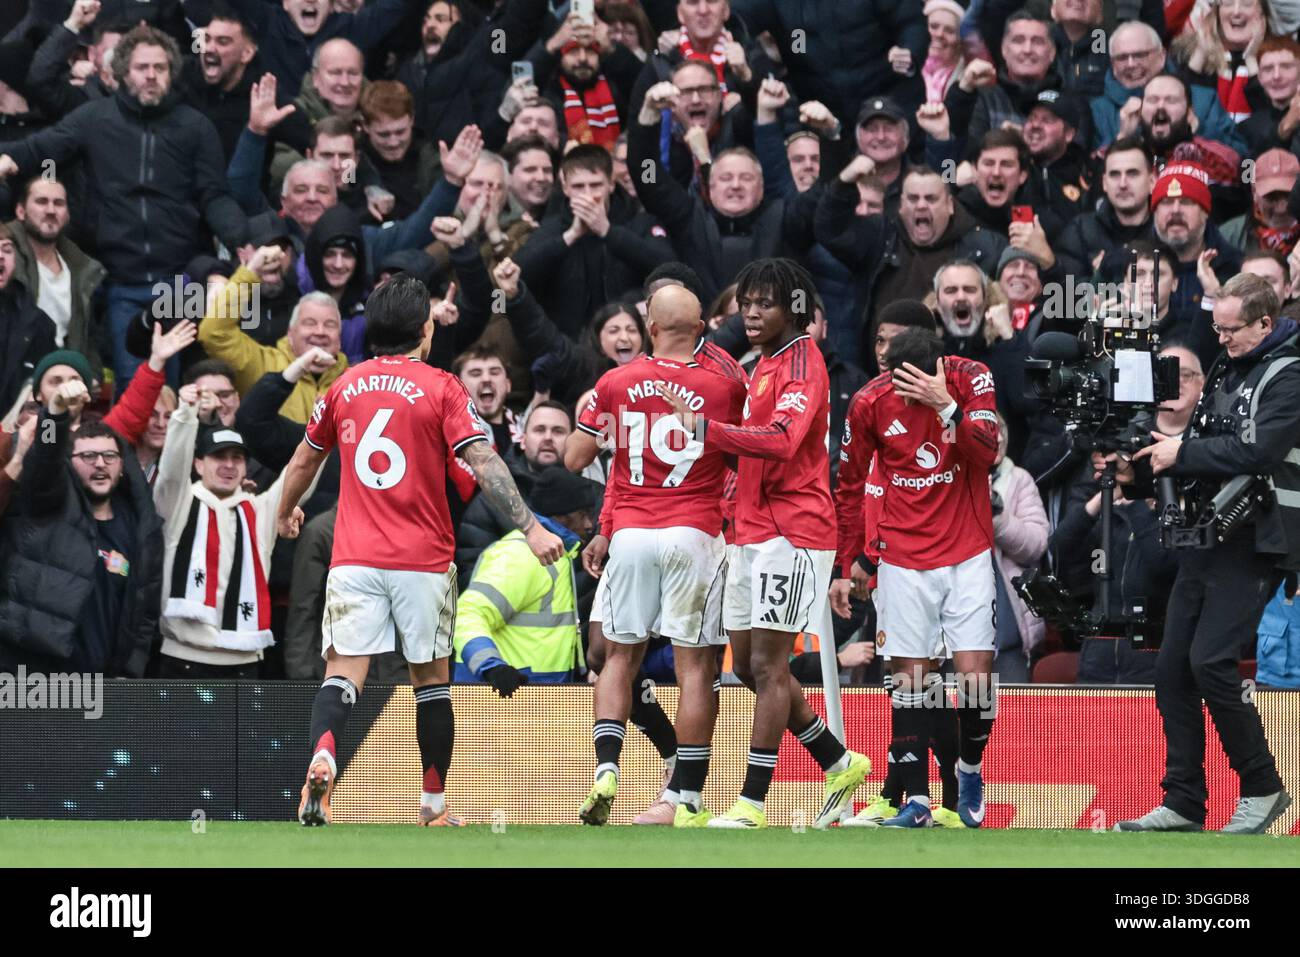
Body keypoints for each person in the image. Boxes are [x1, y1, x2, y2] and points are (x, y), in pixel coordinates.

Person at [274, 274, 564, 827]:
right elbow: (483, 461)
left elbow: (304, 459)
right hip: (422, 561)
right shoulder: (441, 387)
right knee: (430, 682)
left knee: (342, 673)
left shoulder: (344, 387)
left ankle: (324, 755)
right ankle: (432, 805)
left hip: (354, 558)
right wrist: (530, 526)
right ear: (425, 330)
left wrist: (286, 510)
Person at [656, 258, 871, 829]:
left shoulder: (803, 362)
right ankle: (840, 761)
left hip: (793, 533)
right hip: (750, 531)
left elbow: (781, 440)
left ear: (795, 310)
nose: (750, 313)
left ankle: (752, 804)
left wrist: (706, 429)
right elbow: (750, 451)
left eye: (765, 303)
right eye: (746, 302)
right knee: (750, 668)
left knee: (770, 667)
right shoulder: (765, 366)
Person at [1115, 273, 1296, 834]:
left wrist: (1182, 452)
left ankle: (1262, 787)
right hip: (1208, 534)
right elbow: (1199, 450)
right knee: (1171, 669)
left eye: (1231, 329)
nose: (1222, 339)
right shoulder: (1229, 365)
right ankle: (1184, 802)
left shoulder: (1289, 373)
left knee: (1210, 662)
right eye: (1217, 328)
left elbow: (1257, 450)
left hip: (1257, 537)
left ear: (1265, 323)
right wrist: (1142, 474)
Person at [564, 283, 747, 827]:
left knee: (620, 657)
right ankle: (686, 794)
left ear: (651, 328)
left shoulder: (616, 382)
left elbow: (574, 457)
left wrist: (613, 427)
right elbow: (745, 458)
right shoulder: (724, 387)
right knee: (696, 666)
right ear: (702, 330)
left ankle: (606, 768)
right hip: (694, 533)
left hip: (632, 534)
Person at [0, 24, 247, 390]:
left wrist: (242, 238)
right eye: (142, 67)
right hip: (121, 279)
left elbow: (215, 195)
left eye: (160, 68)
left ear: (171, 73)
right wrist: (8, 159)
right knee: (136, 384)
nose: (151, 75)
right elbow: (42, 147)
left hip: (179, 279)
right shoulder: (95, 118)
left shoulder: (195, 127)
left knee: (178, 387)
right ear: (123, 73)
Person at [833, 313, 1000, 828]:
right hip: (902, 558)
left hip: (967, 552)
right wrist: (846, 562)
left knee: (975, 680)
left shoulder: (972, 378)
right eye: (901, 387)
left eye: (917, 387)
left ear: (937, 369)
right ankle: (918, 801)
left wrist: (944, 404)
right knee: (910, 681)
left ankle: (969, 768)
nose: (907, 398)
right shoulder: (869, 401)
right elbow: (849, 486)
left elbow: (987, 453)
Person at [154, 385, 322, 677]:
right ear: (198, 463)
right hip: (182, 658)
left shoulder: (259, 510)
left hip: (244, 663)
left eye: (237, 458)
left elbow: (298, 479)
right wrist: (185, 415)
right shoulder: (179, 503)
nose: (229, 465)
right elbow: (170, 472)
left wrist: (321, 427)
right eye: (219, 457)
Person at [0, 379, 163, 677]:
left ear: (122, 467)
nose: (100, 463)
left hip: (102, 682)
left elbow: (144, 612)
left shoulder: (140, 529)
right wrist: (54, 415)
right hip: (34, 677)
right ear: (70, 464)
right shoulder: (48, 505)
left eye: (109, 456)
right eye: (88, 456)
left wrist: (130, 670)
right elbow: (45, 458)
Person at [453, 466, 598, 688]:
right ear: (561, 515)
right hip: (498, 693)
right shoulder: (521, 555)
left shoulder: (560, 556)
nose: (589, 524)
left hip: (532, 693)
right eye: (583, 514)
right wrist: (491, 667)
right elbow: (467, 614)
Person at [198, 244, 349, 423]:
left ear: (340, 338)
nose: (320, 331)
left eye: (330, 325)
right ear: (290, 334)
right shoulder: (262, 365)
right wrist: (250, 272)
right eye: (310, 323)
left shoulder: (355, 382)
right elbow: (214, 333)